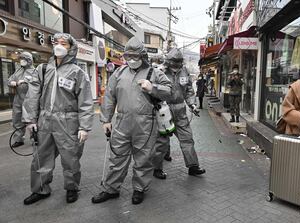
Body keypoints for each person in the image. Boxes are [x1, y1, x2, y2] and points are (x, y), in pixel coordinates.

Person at [91, 36, 172, 205]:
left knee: (144, 158)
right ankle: (111, 189)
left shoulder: (155, 73)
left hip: (146, 124)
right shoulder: (119, 72)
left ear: (142, 56)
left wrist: (153, 88)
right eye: (128, 56)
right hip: (122, 122)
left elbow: (169, 91)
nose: (132, 60)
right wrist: (106, 119)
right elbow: (109, 96)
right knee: (117, 158)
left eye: (135, 56)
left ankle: (139, 189)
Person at [22, 33, 94, 205]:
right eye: (57, 43)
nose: (59, 46)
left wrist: (84, 127)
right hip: (45, 120)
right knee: (41, 157)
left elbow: (85, 101)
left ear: (71, 48)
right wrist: (31, 120)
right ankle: (40, 189)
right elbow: (32, 96)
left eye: (64, 43)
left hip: (68, 122)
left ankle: (71, 188)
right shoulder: (43, 69)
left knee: (70, 158)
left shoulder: (78, 73)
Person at [151, 48, 205, 180]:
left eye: (178, 62)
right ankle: (156, 168)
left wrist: (192, 105)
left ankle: (193, 166)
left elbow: (188, 90)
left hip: (180, 111)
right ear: (168, 61)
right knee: (161, 142)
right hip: (164, 111)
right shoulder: (159, 72)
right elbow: (152, 90)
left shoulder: (184, 71)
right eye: (173, 62)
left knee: (187, 139)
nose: (176, 65)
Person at [8, 52, 36, 148]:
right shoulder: (18, 71)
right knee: (17, 119)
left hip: (30, 99)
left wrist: (26, 81)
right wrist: (12, 82)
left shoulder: (34, 71)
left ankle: (35, 138)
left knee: (31, 120)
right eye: (21, 58)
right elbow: (9, 80)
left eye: (24, 59)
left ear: (29, 60)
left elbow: (38, 82)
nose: (22, 60)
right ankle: (18, 139)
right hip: (18, 98)